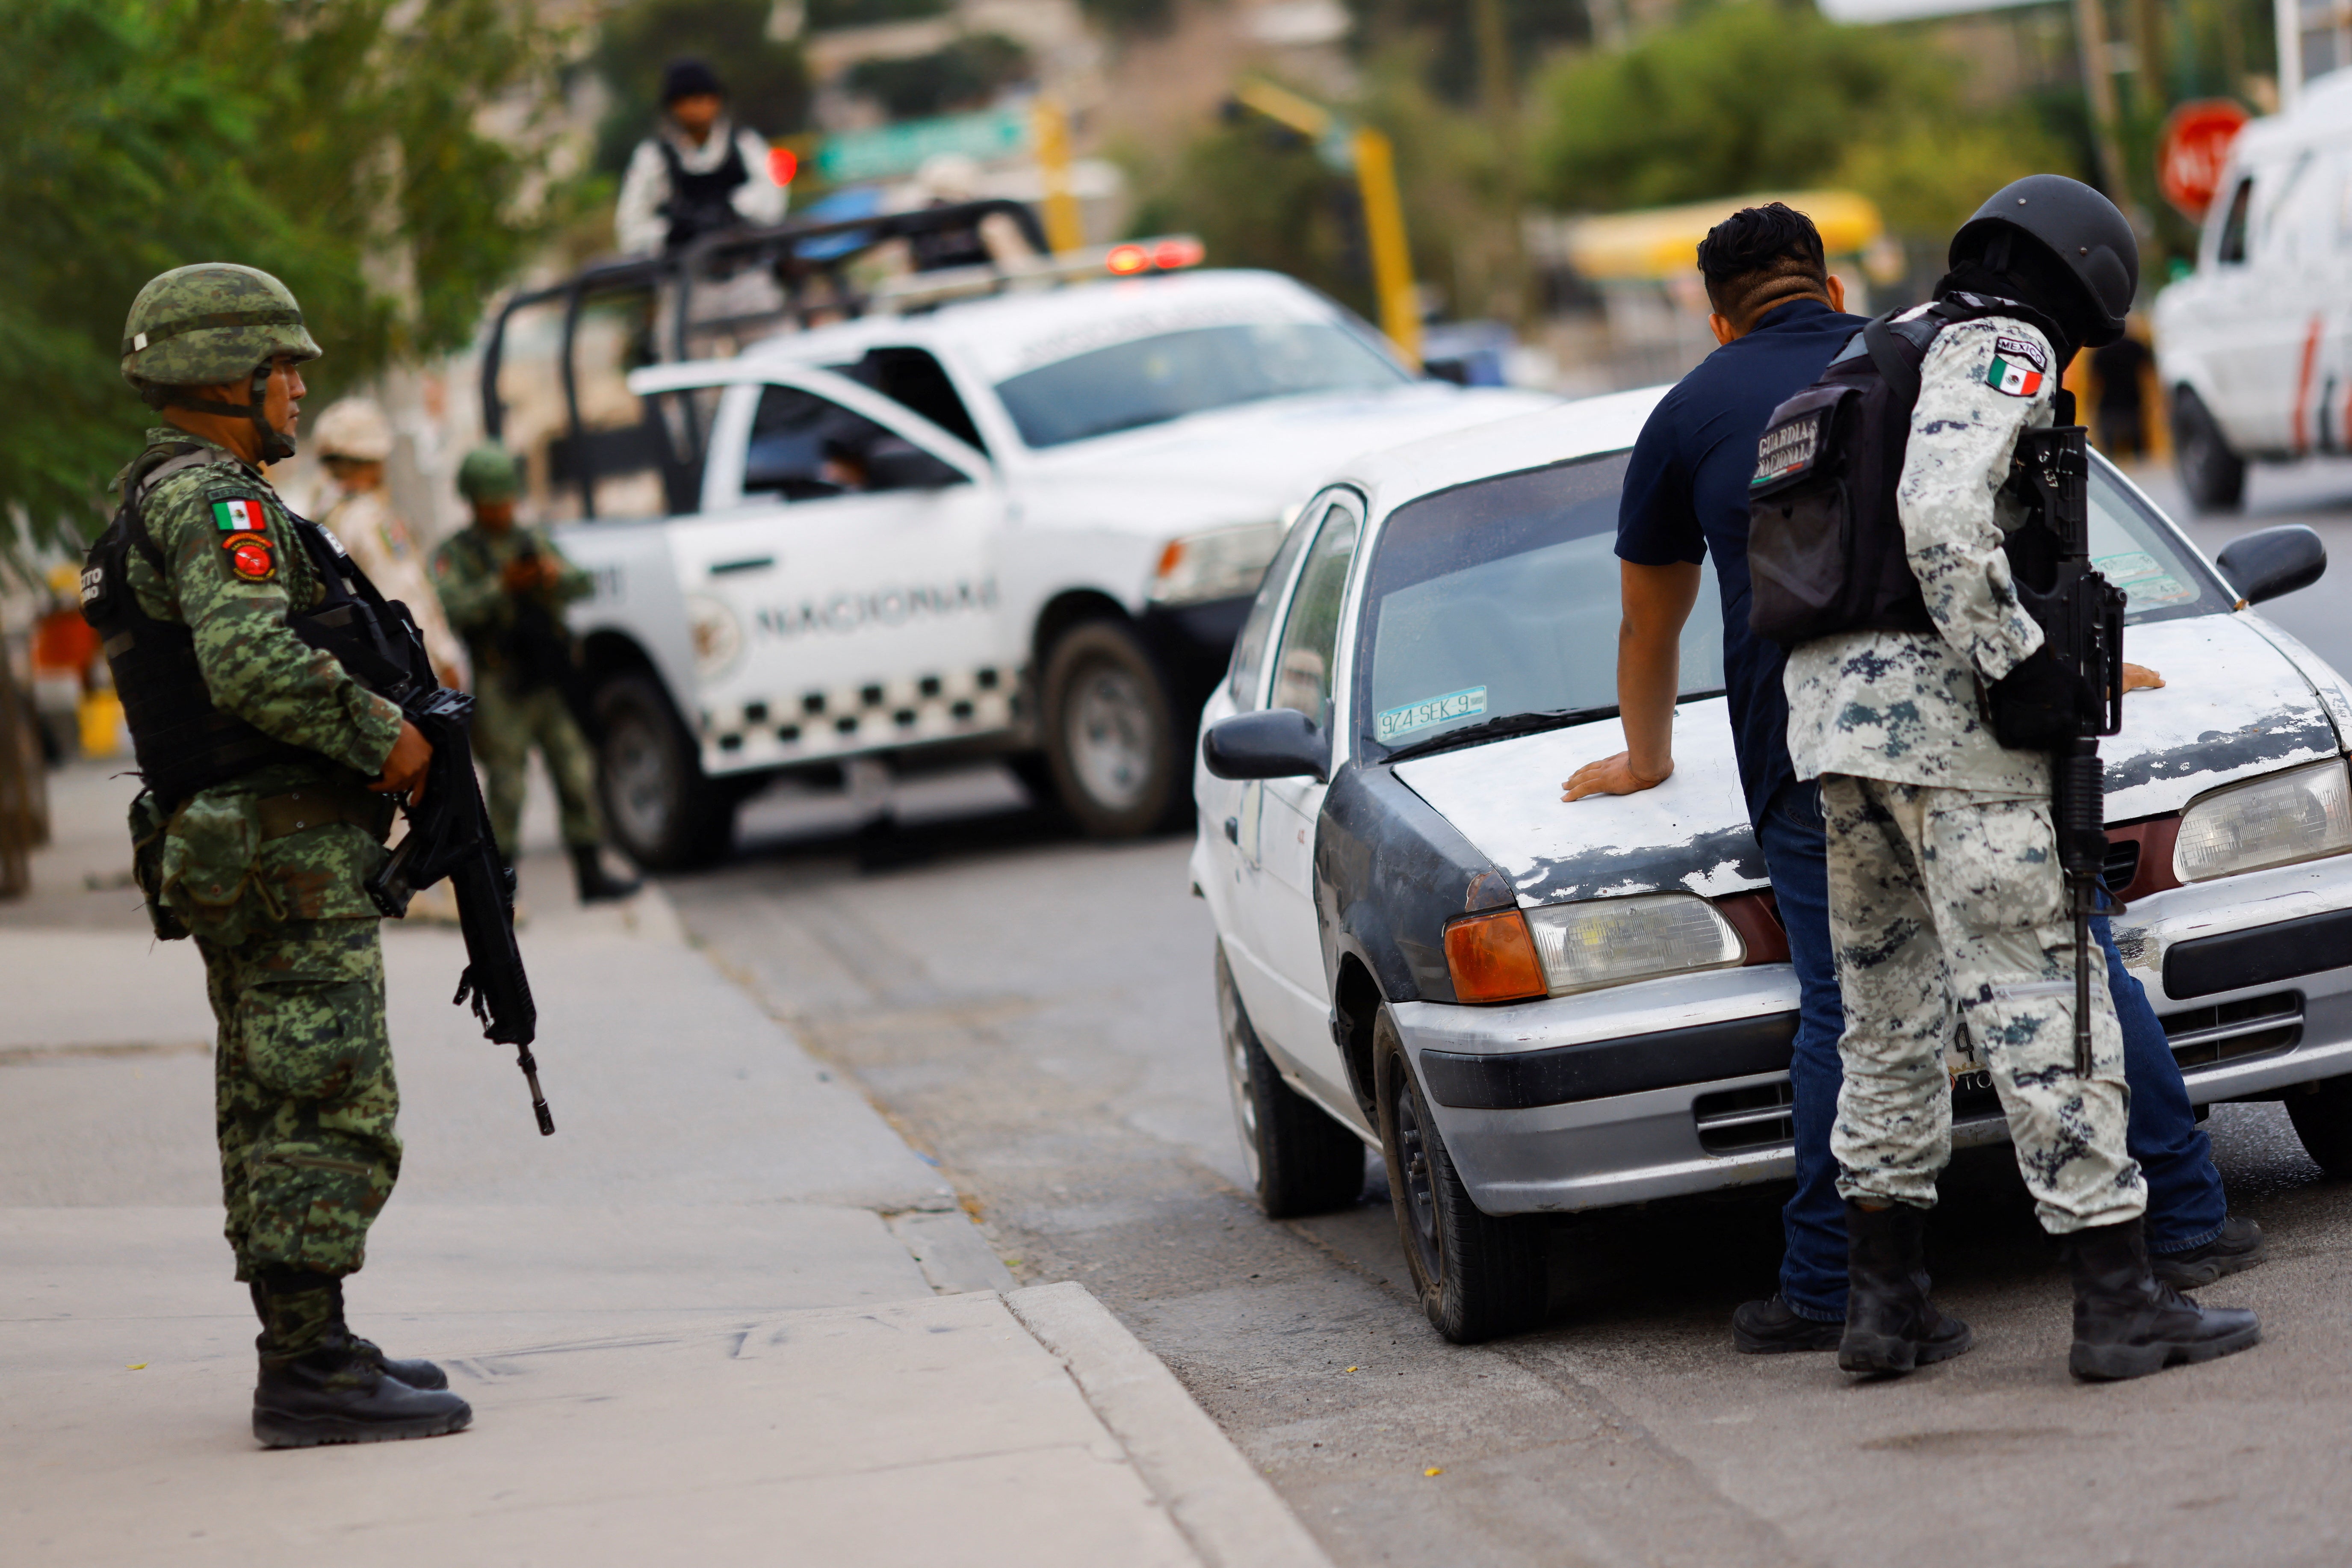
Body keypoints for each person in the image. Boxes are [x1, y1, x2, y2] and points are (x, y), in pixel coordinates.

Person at [1564, 200, 2263, 1374]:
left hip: (1830, 726)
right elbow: (1939, 520)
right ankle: (2116, 1297)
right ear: (2079, 283)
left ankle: (1881, 1310)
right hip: (1945, 725)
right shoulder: (2001, 342)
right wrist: (2025, 671)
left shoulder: (1876, 347)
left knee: (1885, 1021)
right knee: (2046, 993)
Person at [87, 263, 471, 1446]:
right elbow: (250, 664)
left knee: (272, 1092)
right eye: (281, 366)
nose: (301, 387)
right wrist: (390, 742)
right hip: (279, 848)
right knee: (323, 1093)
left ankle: (314, 1343)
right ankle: (309, 1374)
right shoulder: (217, 504)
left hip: (245, 847)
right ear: (223, 378)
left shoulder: (167, 493)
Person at [430, 444, 640, 903]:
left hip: (548, 677)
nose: (503, 509)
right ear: (474, 501)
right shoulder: (458, 553)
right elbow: (450, 607)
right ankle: (500, 887)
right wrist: (501, 587)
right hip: (501, 679)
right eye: (493, 501)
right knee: (507, 785)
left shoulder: (534, 540)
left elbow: (581, 582)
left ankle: (591, 872)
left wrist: (550, 576)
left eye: (508, 499)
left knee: (576, 771)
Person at [312, 398, 467, 691]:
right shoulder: (371, 519)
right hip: (409, 672)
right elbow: (403, 595)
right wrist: (444, 660)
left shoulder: (322, 515)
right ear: (374, 458)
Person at [614, 58, 788, 257]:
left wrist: (734, 214)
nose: (698, 107)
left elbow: (773, 202)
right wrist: (673, 233)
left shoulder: (746, 144)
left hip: (750, 271)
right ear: (673, 106)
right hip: (683, 277)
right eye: (688, 99)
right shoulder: (652, 158)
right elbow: (631, 229)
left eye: (705, 97)